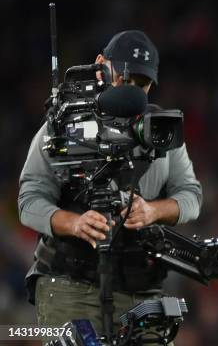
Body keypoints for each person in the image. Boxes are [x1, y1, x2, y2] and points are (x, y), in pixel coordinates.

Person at [18, 30, 203, 337]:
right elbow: (29, 199)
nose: (131, 90)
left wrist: (153, 211)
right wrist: (73, 223)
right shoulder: (67, 123)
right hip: (70, 285)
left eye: (141, 84)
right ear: (101, 65)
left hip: (141, 291)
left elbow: (191, 196)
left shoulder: (161, 131)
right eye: (124, 79)